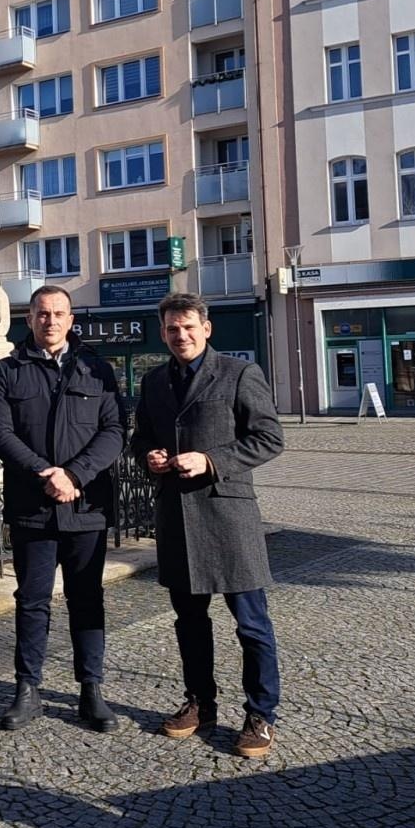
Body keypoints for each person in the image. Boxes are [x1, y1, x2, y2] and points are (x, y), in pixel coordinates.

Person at [131, 292, 286, 759]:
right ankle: (200, 702)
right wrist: (150, 457)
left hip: (228, 514)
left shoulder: (240, 374)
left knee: (252, 624)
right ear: (163, 333)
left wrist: (212, 460)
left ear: (206, 328)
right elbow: (140, 437)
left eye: (188, 327)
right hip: (177, 516)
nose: (180, 336)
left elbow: (269, 437)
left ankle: (261, 713)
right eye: (172, 329)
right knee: (190, 622)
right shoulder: (154, 381)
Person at [0, 286, 125, 733]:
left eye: (58, 313)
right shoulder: (8, 370)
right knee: (31, 601)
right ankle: (27, 690)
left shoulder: (96, 368)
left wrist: (76, 475)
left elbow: (115, 430)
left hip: (85, 506)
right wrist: (46, 472)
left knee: (88, 600)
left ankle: (91, 690)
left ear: (71, 318)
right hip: (33, 506)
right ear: (31, 318)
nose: (50, 321)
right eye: (42, 313)